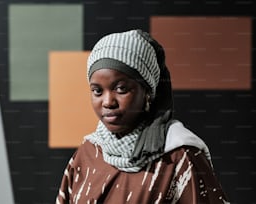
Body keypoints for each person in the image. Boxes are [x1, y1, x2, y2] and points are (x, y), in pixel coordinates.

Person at [55, 29, 229, 204]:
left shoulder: (179, 156)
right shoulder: (87, 153)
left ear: (147, 92)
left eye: (121, 88)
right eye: (97, 91)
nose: (108, 102)